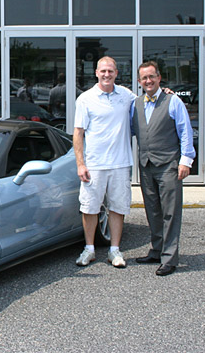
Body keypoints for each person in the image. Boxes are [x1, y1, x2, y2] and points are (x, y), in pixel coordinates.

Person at [131, 61, 195, 276]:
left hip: (169, 164)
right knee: (153, 211)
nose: (148, 81)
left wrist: (186, 160)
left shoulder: (173, 101)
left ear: (159, 78)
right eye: (144, 78)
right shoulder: (136, 104)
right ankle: (157, 250)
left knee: (170, 212)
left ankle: (169, 258)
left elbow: (185, 130)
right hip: (146, 165)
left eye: (152, 77)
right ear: (139, 82)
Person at [73, 56, 134, 268]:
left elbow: (148, 104)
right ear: (96, 73)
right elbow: (78, 133)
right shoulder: (85, 99)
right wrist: (81, 164)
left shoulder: (126, 96)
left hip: (120, 164)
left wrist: (166, 94)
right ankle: (89, 249)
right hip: (94, 165)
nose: (107, 74)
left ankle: (114, 251)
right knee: (89, 208)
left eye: (110, 71)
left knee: (118, 207)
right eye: (103, 71)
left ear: (116, 73)